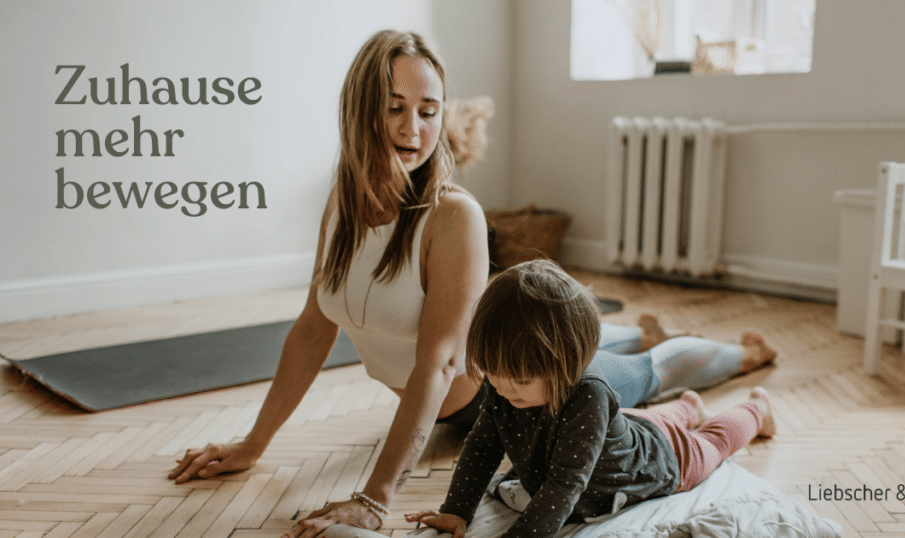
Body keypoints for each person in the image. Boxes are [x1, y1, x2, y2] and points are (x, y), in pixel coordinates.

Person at [166, 30, 774, 537]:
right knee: (604, 343)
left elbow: (438, 364)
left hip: (500, 392)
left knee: (645, 372)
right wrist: (252, 446)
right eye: (395, 106)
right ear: (359, 109)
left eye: (428, 111)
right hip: (492, 376)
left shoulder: (452, 215)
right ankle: (632, 342)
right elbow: (311, 331)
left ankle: (743, 355)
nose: (413, 128)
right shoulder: (342, 207)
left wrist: (376, 499)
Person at [405, 260, 775, 538]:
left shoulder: (588, 395)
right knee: (646, 423)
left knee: (714, 441)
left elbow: (565, 484)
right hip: (630, 429)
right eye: (493, 374)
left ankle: (757, 408)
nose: (503, 389)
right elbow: (483, 446)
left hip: (660, 461)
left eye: (519, 379)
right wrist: (456, 509)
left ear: (567, 363)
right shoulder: (505, 386)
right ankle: (689, 406)